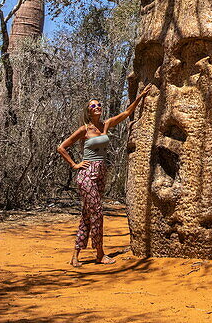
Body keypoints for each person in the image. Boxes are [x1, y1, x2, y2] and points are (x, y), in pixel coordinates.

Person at [57, 87, 151, 267]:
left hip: (101, 173)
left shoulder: (105, 125)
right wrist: (74, 165)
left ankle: (75, 255)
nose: (97, 107)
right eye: (93, 106)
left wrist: (141, 96)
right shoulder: (84, 130)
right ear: (88, 111)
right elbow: (61, 147)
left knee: (87, 214)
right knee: (98, 213)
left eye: (99, 104)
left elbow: (126, 113)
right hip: (86, 174)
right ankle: (99, 253)